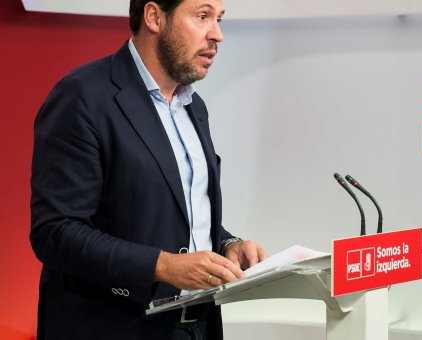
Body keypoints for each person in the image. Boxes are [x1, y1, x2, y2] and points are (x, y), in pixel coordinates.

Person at [29, 0, 266, 338]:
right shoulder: (83, 97)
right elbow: (55, 233)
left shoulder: (193, 106)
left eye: (219, 19)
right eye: (202, 16)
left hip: (196, 328)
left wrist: (226, 243)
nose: (218, 34)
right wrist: (162, 266)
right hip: (115, 327)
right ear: (154, 17)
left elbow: (174, 209)